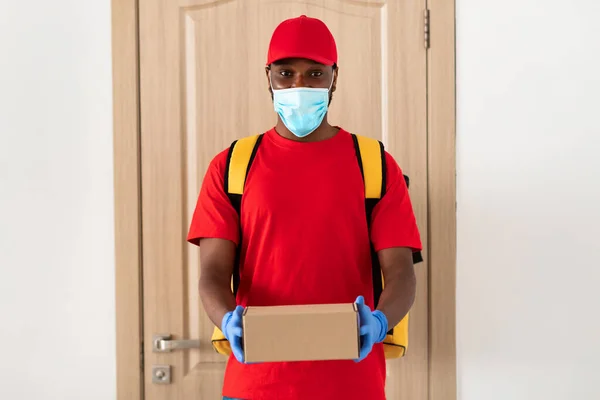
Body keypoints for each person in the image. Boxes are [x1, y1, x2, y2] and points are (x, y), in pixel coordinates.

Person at [187, 15, 422, 400]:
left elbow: (401, 273)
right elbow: (212, 273)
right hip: (254, 385)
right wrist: (227, 320)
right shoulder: (231, 166)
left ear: (334, 76)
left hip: (352, 386)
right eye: (286, 73)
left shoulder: (375, 164)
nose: (299, 85)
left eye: (315, 74)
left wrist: (379, 323)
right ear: (269, 77)